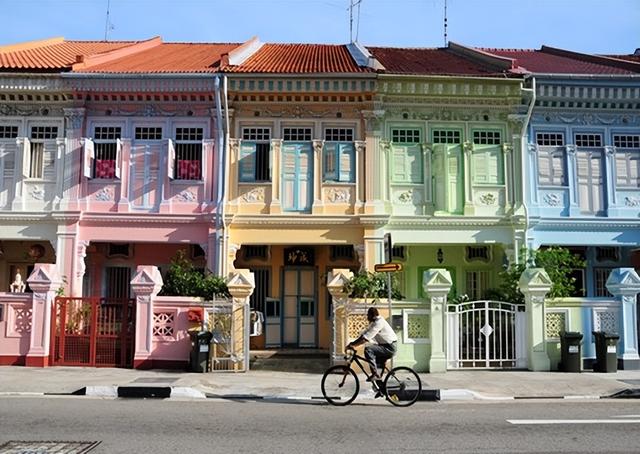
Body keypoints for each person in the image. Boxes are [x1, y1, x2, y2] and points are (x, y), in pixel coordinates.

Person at [346, 307, 398, 380]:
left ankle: (374, 374)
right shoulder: (374, 322)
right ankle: (380, 386)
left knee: (369, 349)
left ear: (372, 315)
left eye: (368, 315)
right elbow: (364, 334)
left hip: (389, 347)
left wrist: (353, 345)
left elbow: (366, 338)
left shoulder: (378, 323)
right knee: (377, 364)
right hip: (385, 346)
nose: (367, 317)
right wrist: (353, 343)